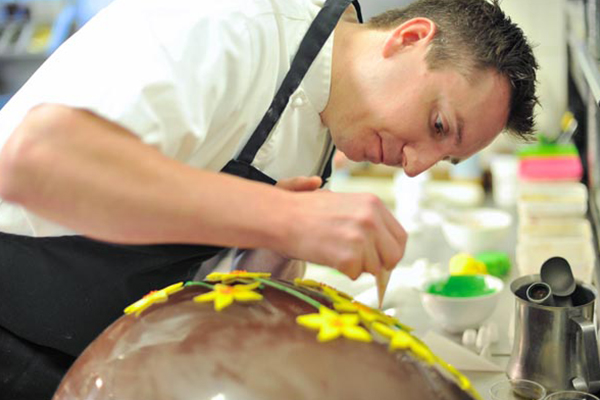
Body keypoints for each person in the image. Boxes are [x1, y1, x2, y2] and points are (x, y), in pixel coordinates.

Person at [0, 0, 538, 397]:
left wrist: (259, 259)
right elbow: (35, 160)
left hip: (93, 351)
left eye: (443, 158)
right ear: (409, 37)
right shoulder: (231, 27)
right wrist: (281, 216)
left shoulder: (331, 112)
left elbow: (178, 224)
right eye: (437, 124)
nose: (417, 166)